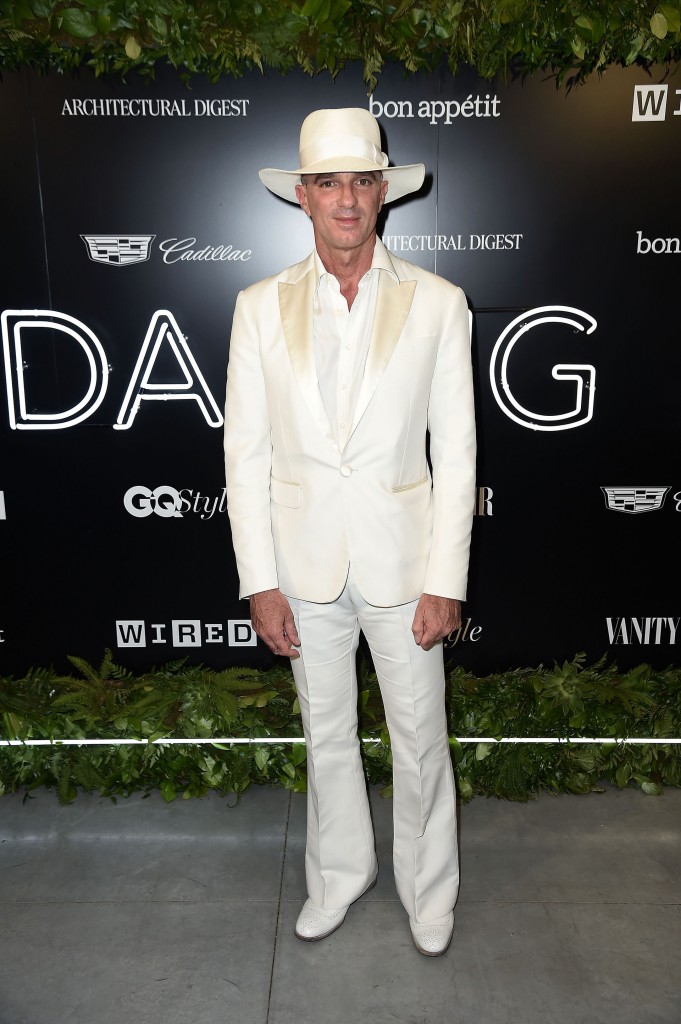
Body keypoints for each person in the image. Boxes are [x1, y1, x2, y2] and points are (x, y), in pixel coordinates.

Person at [224, 107, 476, 956]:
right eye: (327, 182)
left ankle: (428, 890)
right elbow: (244, 455)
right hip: (302, 567)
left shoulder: (439, 304)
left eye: (361, 181)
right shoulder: (257, 308)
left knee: (420, 739)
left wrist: (446, 579)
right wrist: (260, 581)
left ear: (382, 193)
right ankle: (338, 876)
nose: (345, 199)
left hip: (404, 565)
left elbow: (457, 454)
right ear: (301, 196)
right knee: (324, 734)